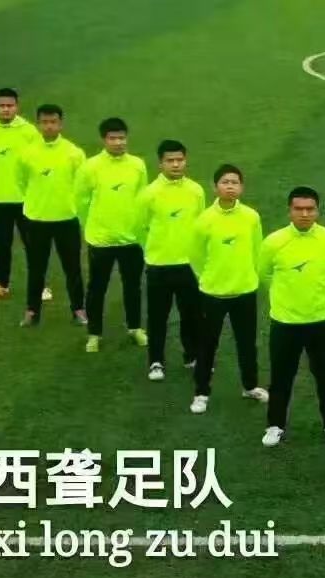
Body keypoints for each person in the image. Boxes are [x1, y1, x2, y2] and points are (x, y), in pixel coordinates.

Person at [258, 186, 325, 447]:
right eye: (299, 209)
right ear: (290, 211)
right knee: (281, 377)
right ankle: (275, 425)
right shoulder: (273, 242)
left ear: (318, 210)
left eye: (310, 209)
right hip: (285, 323)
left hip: (323, 322)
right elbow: (264, 274)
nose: (305, 214)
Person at [187, 164, 266, 414]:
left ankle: (250, 386)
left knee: (247, 343)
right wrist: (209, 278)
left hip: (244, 291)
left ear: (241, 187)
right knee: (206, 345)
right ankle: (201, 392)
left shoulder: (251, 217)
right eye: (225, 182)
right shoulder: (204, 220)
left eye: (234, 182)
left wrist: (249, 276)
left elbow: (257, 250)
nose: (230, 187)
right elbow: (195, 256)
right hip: (213, 294)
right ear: (215, 187)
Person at [77, 117, 149, 353]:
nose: (118, 142)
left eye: (122, 138)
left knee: (133, 286)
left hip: (131, 239)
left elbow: (142, 200)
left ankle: (135, 328)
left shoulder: (137, 165)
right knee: (97, 288)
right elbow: (81, 202)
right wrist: (92, 228)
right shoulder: (90, 167)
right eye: (113, 138)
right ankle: (94, 334)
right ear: (104, 140)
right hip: (101, 240)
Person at [139, 140, 205, 381]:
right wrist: (154, 251)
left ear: (185, 161)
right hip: (159, 265)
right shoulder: (149, 193)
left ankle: (192, 355)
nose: (176, 164)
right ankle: (156, 361)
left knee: (192, 314)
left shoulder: (196, 190)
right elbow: (140, 227)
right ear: (160, 163)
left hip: (189, 265)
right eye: (170, 160)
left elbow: (201, 227)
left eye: (179, 160)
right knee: (158, 317)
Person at [17, 104, 86, 327]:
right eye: (44, 122)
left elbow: (82, 186)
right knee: (36, 268)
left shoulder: (74, 153)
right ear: (38, 124)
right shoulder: (27, 153)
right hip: (36, 219)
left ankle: (78, 309)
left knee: (73, 268)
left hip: (66, 218)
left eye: (53, 122)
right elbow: (21, 182)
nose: (49, 126)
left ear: (61, 124)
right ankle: (32, 311)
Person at [0, 87, 42, 302]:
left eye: (10, 106)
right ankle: (1, 286)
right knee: (2, 245)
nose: (6, 109)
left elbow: (38, 159)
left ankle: (40, 285)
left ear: (17, 107)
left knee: (32, 245)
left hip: (25, 198)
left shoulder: (29, 131)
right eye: (2, 106)